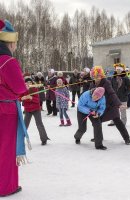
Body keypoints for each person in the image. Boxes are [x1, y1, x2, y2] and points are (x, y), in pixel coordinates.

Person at [0, 19, 27, 196]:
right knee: (6, 149)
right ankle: (5, 186)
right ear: (10, 41)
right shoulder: (7, 61)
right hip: (5, 112)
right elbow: (19, 88)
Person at [90, 66, 130, 145]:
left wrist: (118, 104)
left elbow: (112, 93)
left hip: (111, 105)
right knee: (96, 122)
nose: (97, 78)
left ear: (101, 75)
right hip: (100, 107)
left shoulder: (106, 82)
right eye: (94, 76)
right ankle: (98, 137)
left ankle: (127, 138)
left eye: (98, 76)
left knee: (117, 121)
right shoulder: (92, 84)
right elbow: (90, 96)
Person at [21, 78, 50, 145]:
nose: (28, 84)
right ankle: (20, 139)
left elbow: (37, 100)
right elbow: (19, 98)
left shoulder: (34, 89)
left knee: (39, 124)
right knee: (25, 125)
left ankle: (44, 139)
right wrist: (22, 98)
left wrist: (31, 98)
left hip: (36, 109)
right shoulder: (22, 90)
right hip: (28, 110)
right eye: (27, 82)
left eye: (30, 82)